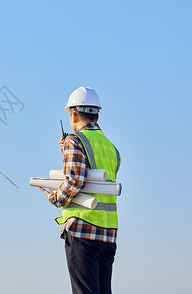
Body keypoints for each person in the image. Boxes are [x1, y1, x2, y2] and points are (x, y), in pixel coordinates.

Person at [39, 86, 121, 294]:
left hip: (83, 231)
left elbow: (75, 179)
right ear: (97, 115)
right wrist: (68, 151)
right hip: (109, 234)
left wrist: (55, 198)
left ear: (73, 114)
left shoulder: (74, 141)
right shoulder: (112, 148)